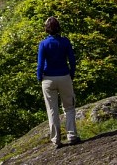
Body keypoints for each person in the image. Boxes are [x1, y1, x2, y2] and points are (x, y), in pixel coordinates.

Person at [36, 16, 80, 149]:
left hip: (48, 79)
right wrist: (71, 74)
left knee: (52, 110)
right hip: (64, 76)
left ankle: (56, 140)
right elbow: (72, 60)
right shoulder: (65, 41)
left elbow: (39, 65)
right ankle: (72, 135)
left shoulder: (43, 44)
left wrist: (40, 78)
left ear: (46, 29)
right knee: (69, 107)